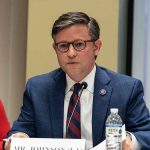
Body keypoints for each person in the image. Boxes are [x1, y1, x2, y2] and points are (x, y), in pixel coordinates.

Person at [4, 12, 150, 150]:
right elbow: (21, 130)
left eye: (79, 44)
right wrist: (18, 138)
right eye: (63, 46)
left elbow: (146, 133)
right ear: (55, 49)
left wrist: (130, 140)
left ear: (97, 47)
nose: (71, 53)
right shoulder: (38, 89)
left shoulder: (126, 89)